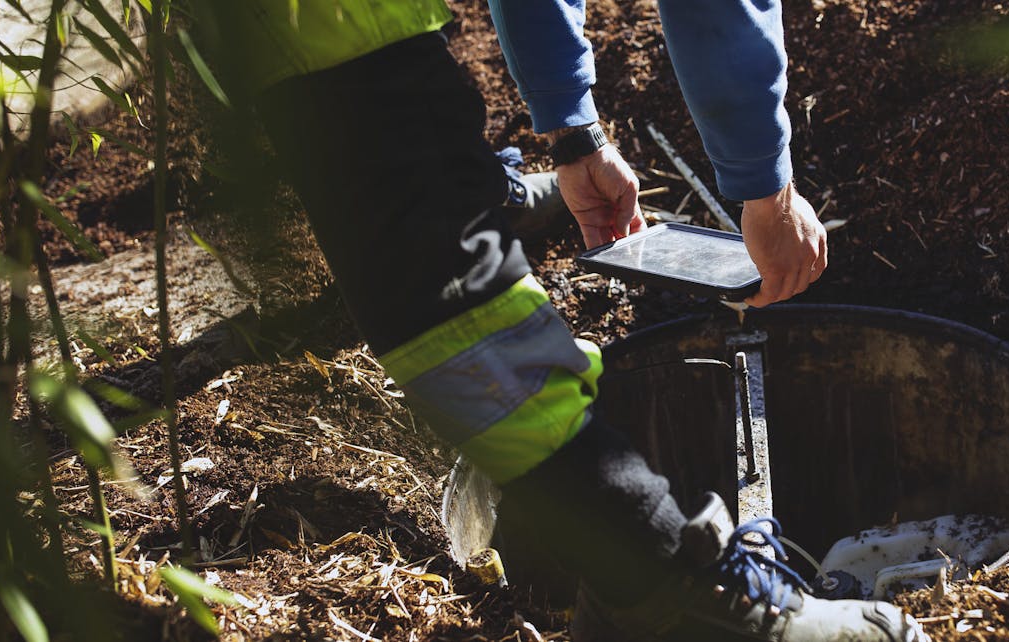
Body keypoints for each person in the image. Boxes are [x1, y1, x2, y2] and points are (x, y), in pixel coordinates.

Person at [203, 1, 924, 640]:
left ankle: (642, 570)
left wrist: (576, 133)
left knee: (412, 226)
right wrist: (765, 185)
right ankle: (668, 583)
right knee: (438, 277)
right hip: (335, 28)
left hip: (308, 30)